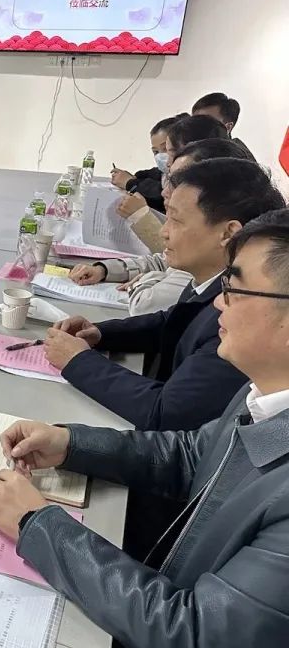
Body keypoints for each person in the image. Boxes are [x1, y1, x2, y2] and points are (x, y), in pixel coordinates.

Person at [0, 209, 289, 648]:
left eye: (236, 287)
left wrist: (35, 524)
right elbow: (192, 455)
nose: (218, 302)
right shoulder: (265, 394)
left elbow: (196, 639)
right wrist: (71, 443)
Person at [46, 157, 284, 432]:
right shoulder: (212, 281)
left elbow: (167, 413)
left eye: (176, 220)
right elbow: (171, 322)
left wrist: (78, 362)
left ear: (227, 233)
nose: (163, 232)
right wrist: (101, 333)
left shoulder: (241, 315)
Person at [70, 138, 257, 315]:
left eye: (178, 181)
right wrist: (105, 269)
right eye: (169, 176)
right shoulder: (202, 245)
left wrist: (146, 279)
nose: (165, 191)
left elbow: (145, 305)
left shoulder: (213, 267)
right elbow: (162, 261)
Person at [116, 114, 232, 253]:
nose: (167, 162)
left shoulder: (210, 206)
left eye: (171, 153)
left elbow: (176, 254)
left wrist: (140, 216)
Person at [108, 113, 187, 214]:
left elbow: (159, 194)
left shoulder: (185, 177)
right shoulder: (163, 174)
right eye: (155, 152)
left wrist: (130, 183)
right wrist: (134, 178)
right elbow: (150, 174)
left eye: (166, 149)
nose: (160, 156)